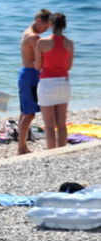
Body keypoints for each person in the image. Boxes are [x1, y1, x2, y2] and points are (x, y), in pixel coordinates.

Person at [36, 12, 73, 150]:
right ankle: (62, 150)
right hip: (63, 83)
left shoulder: (42, 42)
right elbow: (68, 66)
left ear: (50, 24)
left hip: (47, 84)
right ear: (64, 25)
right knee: (62, 124)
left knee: (49, 125)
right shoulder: (69, 43)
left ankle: (51, 152)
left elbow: (38, 66)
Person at [17, 9, 52, 155]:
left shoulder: (26, 33)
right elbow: (41, 59)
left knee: (24, 113)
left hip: (26, 74)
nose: (45, 30)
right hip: (30, 75)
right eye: (45, 27)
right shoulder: (33, 37)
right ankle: (21, 148)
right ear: (39, 21)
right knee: (29, 114)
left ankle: (23, 146)